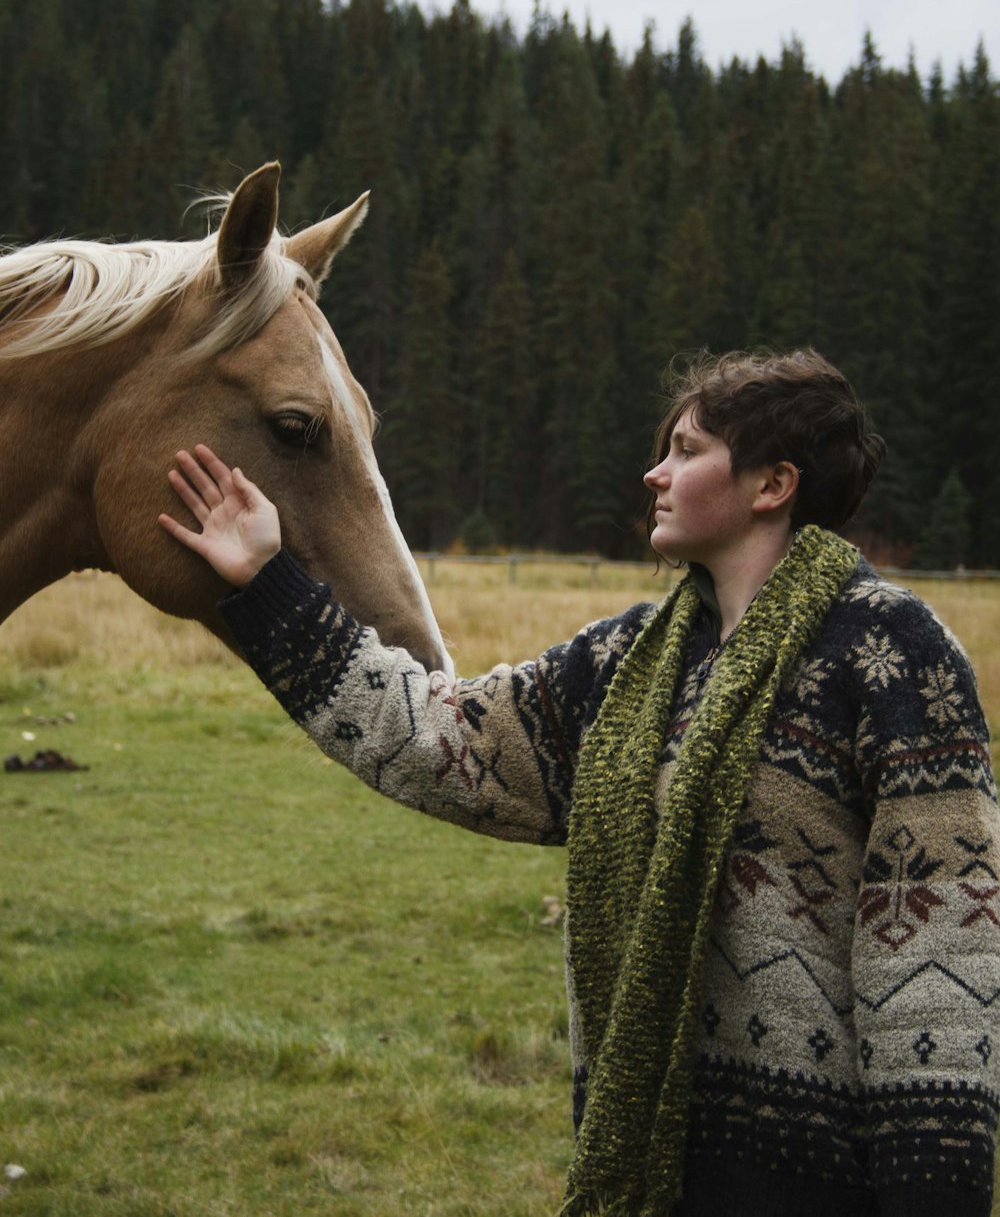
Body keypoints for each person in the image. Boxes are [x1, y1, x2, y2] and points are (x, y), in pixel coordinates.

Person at [159, 349, 1000, 1216]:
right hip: (651, 1169)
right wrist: (269, 584)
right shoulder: (625, 663)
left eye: (686, 449)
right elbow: (440, 740)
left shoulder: (891, 651)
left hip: (825, 1185)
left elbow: (940, 952)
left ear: (772, 484)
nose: (655, 472)